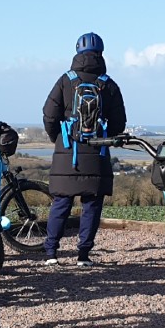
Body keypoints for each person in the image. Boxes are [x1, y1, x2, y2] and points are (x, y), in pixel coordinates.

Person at [41, 32, 127, 267]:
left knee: (61, 203)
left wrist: (57, 139)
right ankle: (83, 255)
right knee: (91, 204)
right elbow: (119, 122)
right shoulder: (108, 84)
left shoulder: (65, 80)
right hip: (97, 152)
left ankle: (51, 253)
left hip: (67, 151)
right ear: (101, 53)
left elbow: (49, 114)